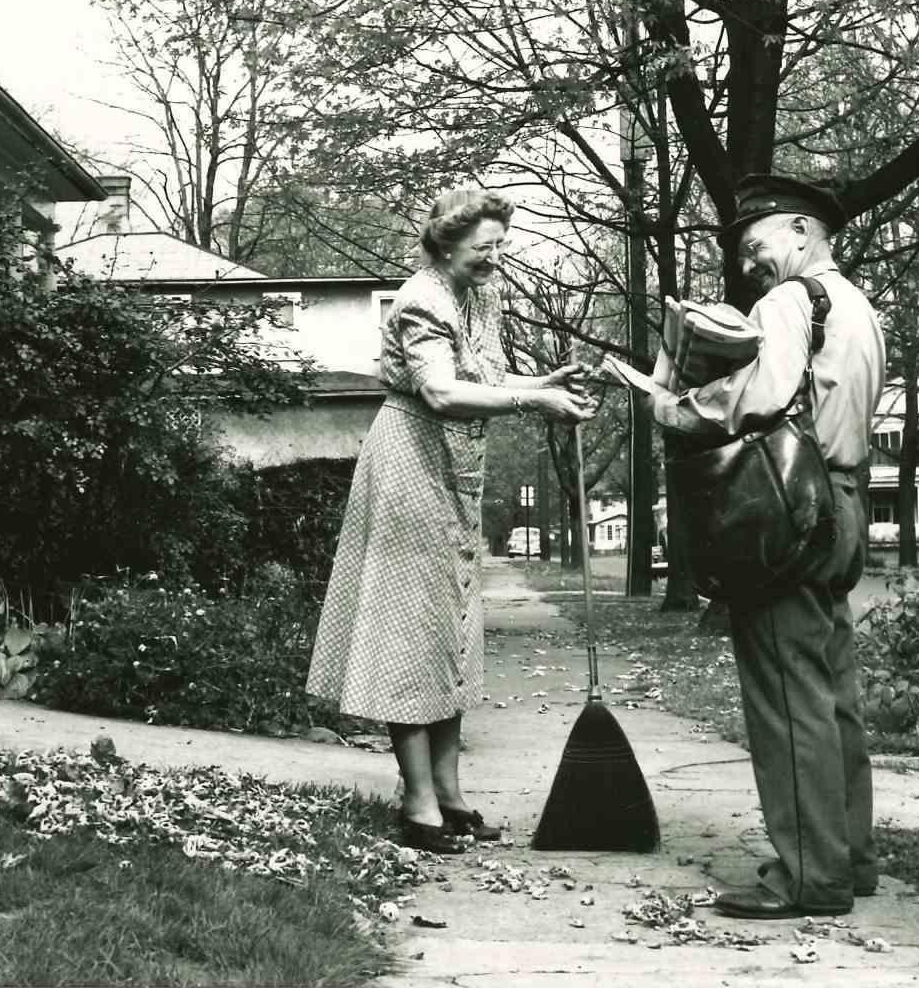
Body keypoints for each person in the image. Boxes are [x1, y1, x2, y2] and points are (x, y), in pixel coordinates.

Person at [306, 187, 597, 854]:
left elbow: (483, 375)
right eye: (482, 248)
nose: (494, 259)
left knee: (450, 629)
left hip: (455, 470)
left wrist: (543, 382)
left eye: (500, 246)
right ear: (444, 244)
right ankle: (417, 804)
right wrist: (536, 402)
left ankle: (451, 792)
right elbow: (440, 390)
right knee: (409, 628)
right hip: (410, 463)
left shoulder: (480, 295)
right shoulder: (421, 299)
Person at [634, 174, 887, 918]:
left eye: (757, 246)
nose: (750, 266)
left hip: (788, 510)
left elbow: (761, 398)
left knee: (785, 691)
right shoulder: (858, 305)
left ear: (803, 233)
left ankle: (810, 875)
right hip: (841, 502)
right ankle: (851, 857)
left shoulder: (786, 303)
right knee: (831, 688)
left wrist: (675, 406)